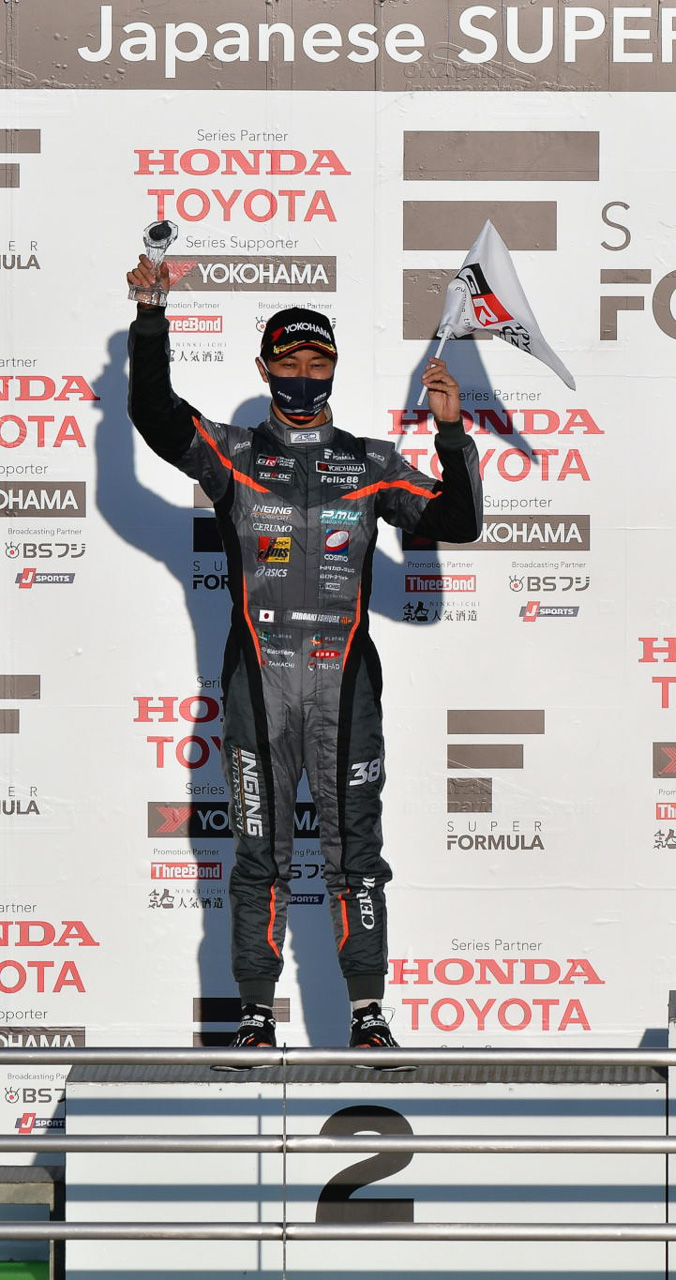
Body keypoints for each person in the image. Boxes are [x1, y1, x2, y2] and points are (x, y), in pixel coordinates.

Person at [124, 255, 482, 1056]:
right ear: (263, 369)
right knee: (260, 854)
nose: (303, 375)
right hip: (258, 685)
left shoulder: (371, 463)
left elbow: (458, 522)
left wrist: (452, 432)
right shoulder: (233, 454)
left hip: (345, 689)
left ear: (335, 368)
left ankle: (368, 1016)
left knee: (358, 855)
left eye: (318, 362)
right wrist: (150, 318)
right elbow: (154, 413)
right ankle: (255, 1018)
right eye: (288, 362)